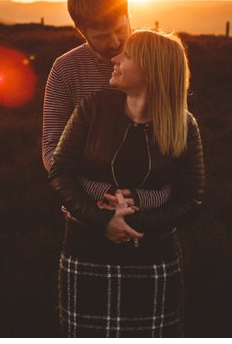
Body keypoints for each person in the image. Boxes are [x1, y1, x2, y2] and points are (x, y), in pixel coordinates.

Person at [48, 29, 206, 337]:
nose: (116, 57)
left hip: (153, 257)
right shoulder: (93, 108)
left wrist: (136, 222)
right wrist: (104, 221)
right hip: (86, 250)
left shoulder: (184, 125)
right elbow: (59, 171)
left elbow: (191, 199)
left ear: (150, 70)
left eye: (128, 55)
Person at [42, 0, 173, 219]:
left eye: (120, 29)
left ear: (128, 14)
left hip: (155, 213)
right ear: (81, 32)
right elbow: (52, 148)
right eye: (102, 36)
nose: (115, 42)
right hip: (88, 212)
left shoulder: (157, 58)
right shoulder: (65, 69)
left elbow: (175, 138)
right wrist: (102, 193)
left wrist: (144, 197)